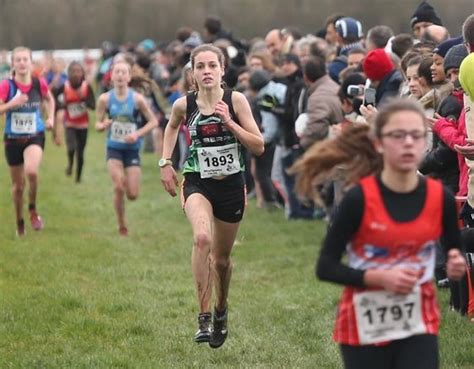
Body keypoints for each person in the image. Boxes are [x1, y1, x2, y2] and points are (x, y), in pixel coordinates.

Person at [291, 99, 465, 369]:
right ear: (379, 144)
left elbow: (453, 250)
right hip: (364, 327)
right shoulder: (358, 200)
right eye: (398, 136)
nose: (408, 143)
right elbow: (325, 267)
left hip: (418, 323)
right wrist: (378, 277)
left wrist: (455, 264)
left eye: (417, 136)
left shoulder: (439, 198)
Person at [160, 44, 263, 348]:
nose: (206, 71)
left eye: (212, 66)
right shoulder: (184, 104)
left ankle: (221, 309)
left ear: (222, 70)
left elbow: (258, 145)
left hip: (231, 186)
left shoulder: (236, 100)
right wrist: (165, 162)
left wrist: (230, 122)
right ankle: (203, 316)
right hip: (197, 182)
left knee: (221, 261)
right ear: (192, 73)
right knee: (201, 239)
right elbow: (171, 126)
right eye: (200, 66)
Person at [95, 58, 157, 236]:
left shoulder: (138, 99)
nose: (120, 75)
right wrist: (103, 125)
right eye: (117, 72)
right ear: (111, 76)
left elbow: (153, 122)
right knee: (118, 186)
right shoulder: (105, 99)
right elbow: (97, 124)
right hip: (113, 147)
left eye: (124, 72)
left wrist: (137, 134)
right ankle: (121, 224)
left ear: (129, 77)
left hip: (132, 148)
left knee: (132, 194)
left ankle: (124, 208)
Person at [0, 46, 55, 236]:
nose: (22, 63)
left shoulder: (38, 84)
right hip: (12, 140)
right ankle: (19, 221)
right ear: (12, 64)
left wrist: (51, 118)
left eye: (25, 60)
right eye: (18, 60)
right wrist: (12, 104)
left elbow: (49, 99)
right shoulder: (6, 86)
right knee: (18, 187)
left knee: (31, 171)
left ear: (31, 63)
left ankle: (32, 208)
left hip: (35, 135)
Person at [54, 61, 95, 183]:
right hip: (70, 123)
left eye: (79, 71)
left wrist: (83, 100)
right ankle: (70, 164)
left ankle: (78, 177)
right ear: (69, 73)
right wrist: (63, 104)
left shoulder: (86, 87)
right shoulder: (64, 86)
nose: (76, 74)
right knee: (71, 148)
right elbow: (54, 98)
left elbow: (92, 105)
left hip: (83, 124)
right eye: (73, 71)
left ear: (82, 73)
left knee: (81, 152)